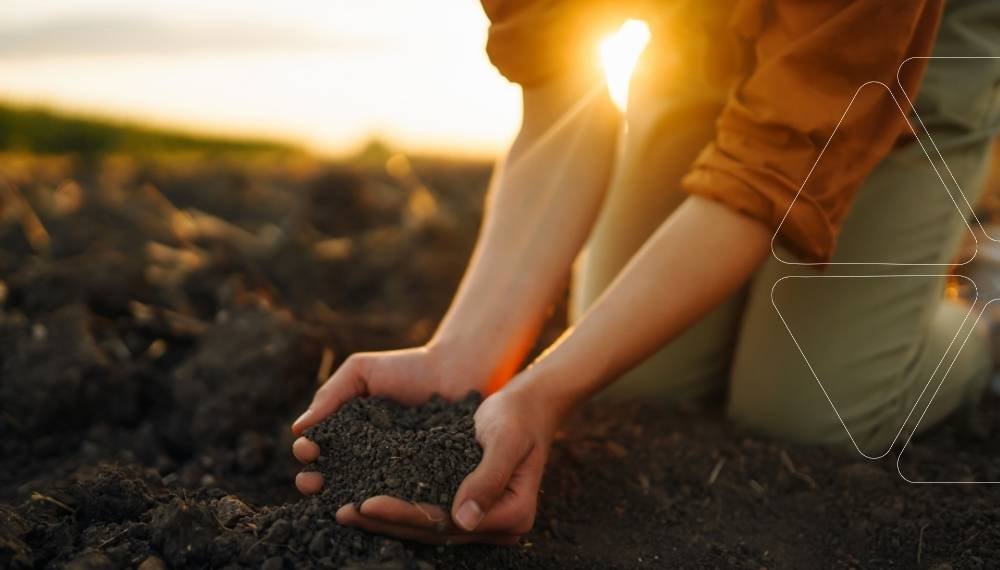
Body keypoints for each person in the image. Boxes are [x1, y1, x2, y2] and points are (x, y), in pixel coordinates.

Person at [291, 0, 1000, 545]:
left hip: (898, 49)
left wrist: (551, 388)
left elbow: (765, 179)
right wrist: (467, 358)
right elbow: (561, 98)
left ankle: (977, 311)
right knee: (638, 371)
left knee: (805, 410)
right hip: (699, 29)